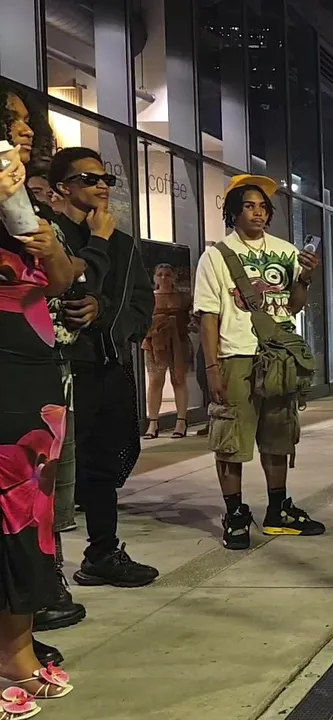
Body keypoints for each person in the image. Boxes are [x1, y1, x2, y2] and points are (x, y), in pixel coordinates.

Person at [193, 175, 325, 550]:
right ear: (233, 212)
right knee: (230, 439)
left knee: (279, 435)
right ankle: (235, 514)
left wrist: (305, 277)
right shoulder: (216, 256)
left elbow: (293, 306)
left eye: (263, 207)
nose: (258, 212)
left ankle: (278, 510)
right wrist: (212, 368)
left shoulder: (286, 251)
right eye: (249, 206)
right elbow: (208, 316)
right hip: (236, 354)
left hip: (279, 355)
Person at [49, 146, 158, 589]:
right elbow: (61, 290)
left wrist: (104, 311)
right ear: (62, 187)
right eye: (89, 179)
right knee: (52, 472)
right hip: (59, 368)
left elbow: (141, 308)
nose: (101, 186)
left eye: (106, 179)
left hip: (108, 365)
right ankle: (48, 572)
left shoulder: (124, 244)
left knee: (102, 468)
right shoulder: (52, 234)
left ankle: (102, 553)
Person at [0, 143, 77, 706]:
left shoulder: (28, 210)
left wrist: (50, 250)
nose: (19, 147)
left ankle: (17, 648)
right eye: (12, 132)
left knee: (30, 514)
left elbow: (62, 282)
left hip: (36, 375)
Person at [142, 264, 193, 439]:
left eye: (167, 274)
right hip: (155, 343)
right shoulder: (149, 297)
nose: (163, 278)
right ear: (155, 277)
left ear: (174, 277)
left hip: (179, 342)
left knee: (179, 379)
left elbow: (192, 318)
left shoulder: (183, 298)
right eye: (160, 274)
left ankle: (181, 421)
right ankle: (153, 423)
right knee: (155, 381)